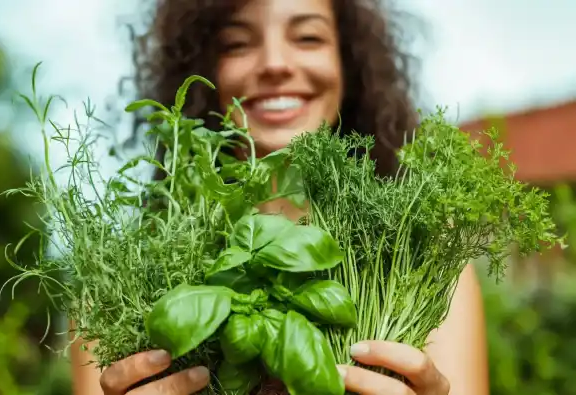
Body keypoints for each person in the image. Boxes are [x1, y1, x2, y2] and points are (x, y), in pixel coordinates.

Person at [72, 0, 490, 394]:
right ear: (202, 69)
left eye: (308, 37)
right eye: (237, 43)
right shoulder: (112, 279)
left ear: (350, 62)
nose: (274, 63)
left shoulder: (427, 264)